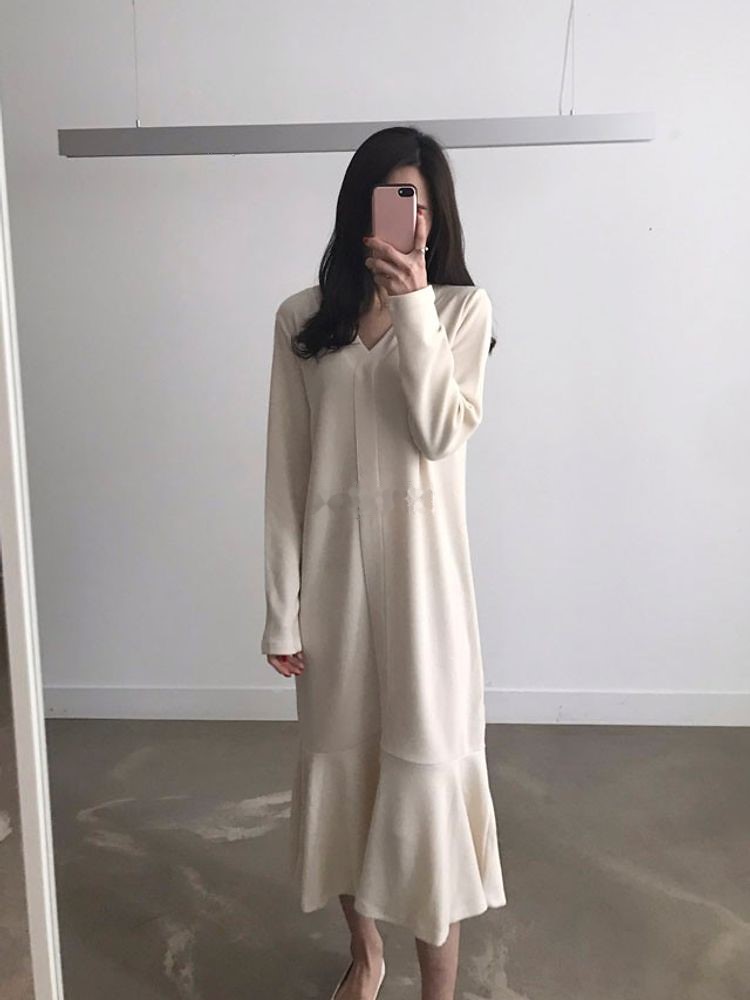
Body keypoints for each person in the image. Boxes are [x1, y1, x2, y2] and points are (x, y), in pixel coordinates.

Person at [261, 125, 507, 1000]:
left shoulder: (461, 313)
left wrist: (413, 309)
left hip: (426, 596)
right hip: (332, 592)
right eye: (397, 199)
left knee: (427, 785)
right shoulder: (302, 321)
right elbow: (285, 473)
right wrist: (281, 609)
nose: (414, 220)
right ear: (360, 207)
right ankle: (365, 953)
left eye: (425, 205)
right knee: (341, 774)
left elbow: (438, 432)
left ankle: (438, 989)